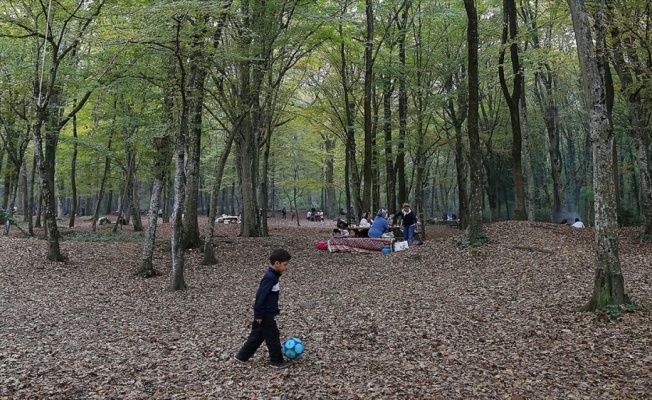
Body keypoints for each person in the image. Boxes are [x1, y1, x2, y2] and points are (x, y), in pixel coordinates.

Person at [235, 249, 292, 369]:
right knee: (273, 336)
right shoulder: (270, 278)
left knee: (257, 336)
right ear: (277, 263)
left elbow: (271, 296)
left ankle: (242, 356)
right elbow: (261, 296)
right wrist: (259, 315)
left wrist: (275, 309)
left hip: (267, 312)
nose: (286, 267)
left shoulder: (274, 276)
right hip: (265, 314)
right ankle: (276, 361)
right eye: (285, 264)